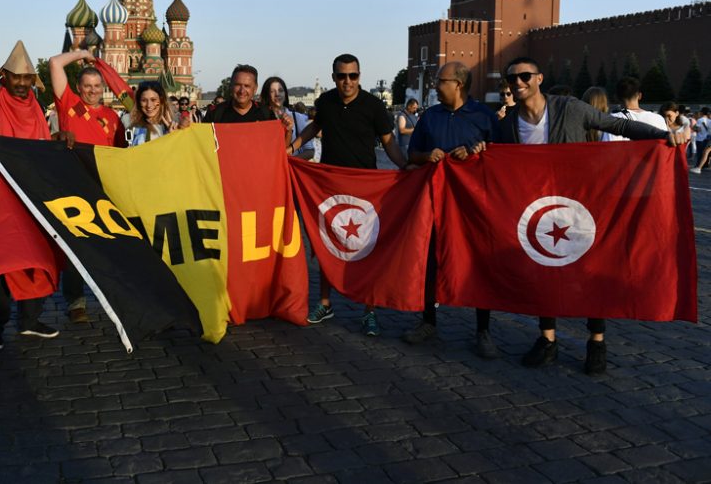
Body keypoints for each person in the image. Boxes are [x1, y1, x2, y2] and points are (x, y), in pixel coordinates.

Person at [496, 57, 679, 375]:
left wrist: (660, 137)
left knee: (590, 272)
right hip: (539, 210)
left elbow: (616, 125)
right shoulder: (507, 123)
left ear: (538, 78)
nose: (518, 82)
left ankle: (596, 342)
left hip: (580, 207)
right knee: (544, 271)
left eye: (525, 76)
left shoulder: (570, 108)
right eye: (512, 78)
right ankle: (547, 339)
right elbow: (493, 156)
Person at [289, 53, 408, 336]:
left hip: (365, 188)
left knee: (366, 248)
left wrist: (406, 166)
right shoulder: (326, 102)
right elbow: (314, 127)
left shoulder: (374, 105)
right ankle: (325, 303)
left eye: (352, 75)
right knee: (327, 244)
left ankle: (369, 311)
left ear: (359, 76)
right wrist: (292, 147)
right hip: (330, 185)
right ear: (333, 77)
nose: (347, 81)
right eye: (342, 76)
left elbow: (390, 142)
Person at [0, 41, 66, 349]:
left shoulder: (36, 106)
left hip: (32, 195)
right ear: (4, 77)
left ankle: (29, 319)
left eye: (27, 79)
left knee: (35, 256)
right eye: (16, 77)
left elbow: (43, 147)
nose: (22, 84)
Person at [402, 62, 498, 357]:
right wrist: (426, 155)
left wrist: (479, 151)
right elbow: (412, 154)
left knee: (479, 264)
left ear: (458, 84)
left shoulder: (485, 116)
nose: (434, 86)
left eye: (440, 81)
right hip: (435, 202)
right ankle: (428, 320)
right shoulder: (430, 117)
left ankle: (483, 330)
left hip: (474, 205)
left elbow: (502, 156)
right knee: (430, 261)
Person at [49, 48, 127, 322]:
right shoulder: (69, 104)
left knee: (110, 246)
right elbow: (55, 63)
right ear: (78, 87)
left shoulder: (113, 116)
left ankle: (113, 298)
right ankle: (76, 301)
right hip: (72, 185)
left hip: (103, 188)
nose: (92, 91)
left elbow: (121, 155)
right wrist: (84, 54)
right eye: (87, 86)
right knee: (74, 246)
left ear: (103, 88)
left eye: (97, 86)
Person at [261, 76, 313, 159]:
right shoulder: (260, 118)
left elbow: (310, 151)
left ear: (285, 94)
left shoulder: (298, 117)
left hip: (290, 167)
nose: (277, 94)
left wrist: (288, 162)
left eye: (280, 91)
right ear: (267, 95)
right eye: (272, 91)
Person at [603, 76, 668, 142]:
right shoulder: (658, 119)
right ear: (640, 95)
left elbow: (609, 148)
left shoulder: (613, 120)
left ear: (616, 97)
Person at [127, 81, 189, 146]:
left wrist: (178, 133)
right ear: (139, 103)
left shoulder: (174, 124)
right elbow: (139, 154)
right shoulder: (136, 129)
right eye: (144, 100)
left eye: (153, 100)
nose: (149, 105)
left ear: (161, 100)